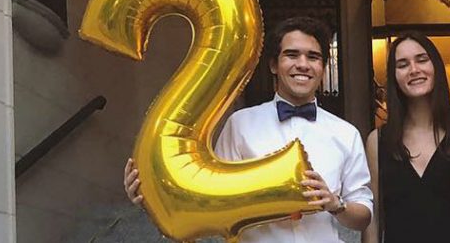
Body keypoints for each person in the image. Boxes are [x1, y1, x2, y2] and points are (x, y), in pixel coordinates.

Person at [124, 16, 373, 242]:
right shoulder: (240, 124)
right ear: (274, 65)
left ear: (323, 68)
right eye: (292, 55)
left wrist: (334, 203)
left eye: (313, 57)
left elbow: (363, 215)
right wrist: (150, 193)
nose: (303, 64)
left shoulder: (346, 133)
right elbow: (210, 198)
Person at [363, 32, 450, 243]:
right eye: (403, 64)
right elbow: (374, 214)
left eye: (422, 60)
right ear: (394, 76)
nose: (414, 70)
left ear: (436, 68)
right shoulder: (377, 141)